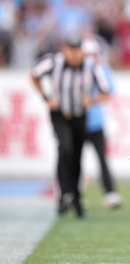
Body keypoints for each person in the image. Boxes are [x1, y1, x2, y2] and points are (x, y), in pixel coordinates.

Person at [30, 35, 112, 218]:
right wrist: (46, 97)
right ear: (65, 50)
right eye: (71, 50)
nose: (74, 54)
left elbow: (106, 92)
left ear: (82, 51)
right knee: (65, 148)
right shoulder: (53, 62)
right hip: (59, 114)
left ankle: (74, 197)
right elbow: (34, 74)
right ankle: (65, 194)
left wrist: (91, 100)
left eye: (77, 50)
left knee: (76, 155)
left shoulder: (92, 67)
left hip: (79, 116)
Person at [82, 36, 122, 209]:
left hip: (95, 122)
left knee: (101, 159)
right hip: (77, 122)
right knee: (74, 160)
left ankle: (110, 193)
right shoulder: (77, 69)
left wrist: (90, 100)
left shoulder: (102, 69)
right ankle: (74, 195)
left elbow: (109, 90)